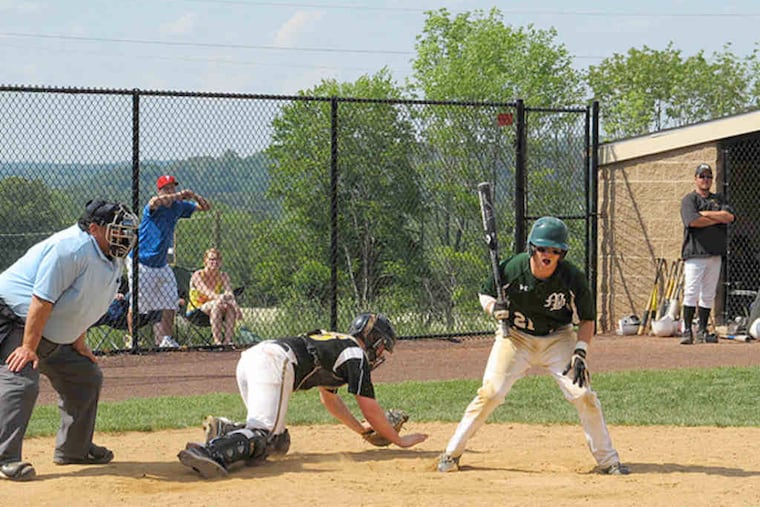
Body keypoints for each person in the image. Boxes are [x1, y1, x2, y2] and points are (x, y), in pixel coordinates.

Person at [437, 217, 629, 475]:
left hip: (558, 339)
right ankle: (451, 453)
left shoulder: (572, 277)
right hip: (515, 339)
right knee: (491, 394)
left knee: (584, 396)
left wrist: (580, 351)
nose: (548, 255)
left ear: (562, 253)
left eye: (555, 250)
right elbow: (485, 294)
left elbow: (587, 320)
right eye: (542, 248)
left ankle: (608, 461)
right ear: (532, 248)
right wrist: (494, 308)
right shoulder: (514, 268)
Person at [177, 312, 429, 478]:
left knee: (277, 443)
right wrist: (399, 440)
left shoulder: (342, 346)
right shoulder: (355, 354)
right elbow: (369, 407)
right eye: (382, 344)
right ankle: (210, 452)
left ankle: (226, 430)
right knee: (263, 432)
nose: (382, 352)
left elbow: (330, 400)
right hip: (276, 362)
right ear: (372, 338)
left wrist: (363, 431)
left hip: (258, 358)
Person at [0, 199, 138, 481]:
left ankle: (74, 449)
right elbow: (42, 299)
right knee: (21, 382)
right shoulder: (69, 248)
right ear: (95, 228)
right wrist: (27, 347)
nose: (125, 236)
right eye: (117, 229)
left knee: (85, 376)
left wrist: (78, 340)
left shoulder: (110, 256)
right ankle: (5, 457)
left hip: (46, 330)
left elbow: (84, 302)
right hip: (13, 320)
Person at [127, 174, 211, 349]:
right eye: (167, 188)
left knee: (170, 301)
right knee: (137, 305)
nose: (171, 191)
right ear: (160, 190)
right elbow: (154, 202)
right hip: (141, 262)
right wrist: (180, 194)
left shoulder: (178, 206)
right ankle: (133, 340)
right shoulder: (153, 207)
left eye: (173, 187)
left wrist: (194, 195)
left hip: (161, 264)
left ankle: (166, 338)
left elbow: (205, 207)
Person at [679, 163, 736, 345]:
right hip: (695, 253)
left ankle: (703, 330)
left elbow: (729, 217)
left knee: (708, 294)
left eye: (708, 177)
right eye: (702, 176)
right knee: (691, 292)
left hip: (715, 253)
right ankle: (688, 330)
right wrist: (716, 217)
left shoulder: (719, 198)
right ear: (696, 179)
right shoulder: (689, 200)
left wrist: (706, 214)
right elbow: (692, 221)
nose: (705, 180)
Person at [187, 248, 243, 346]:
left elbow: (229, 293)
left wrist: (236, 307)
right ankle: (217, 342)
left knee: (229, 307)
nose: (214, 262)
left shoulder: (223, 275)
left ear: (221, 262)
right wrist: (221, 297)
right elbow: (206, 292)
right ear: (205, 261)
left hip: (216, 307)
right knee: (218, 303)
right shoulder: (198, 275)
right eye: (211, 259)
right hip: (198, 310)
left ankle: (227, 341)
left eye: (217, 259)